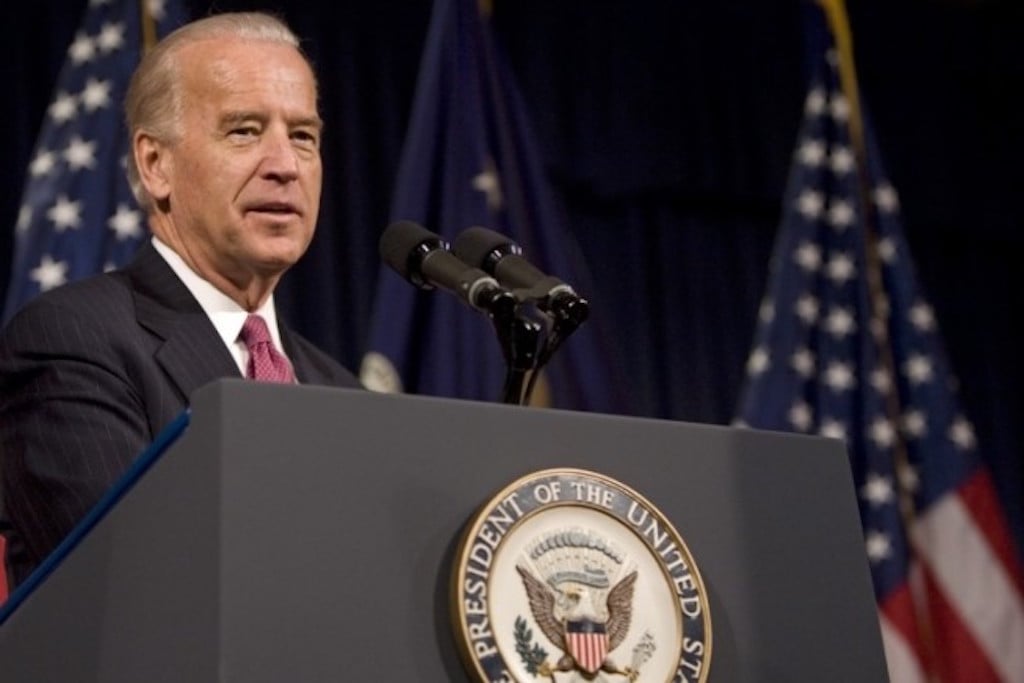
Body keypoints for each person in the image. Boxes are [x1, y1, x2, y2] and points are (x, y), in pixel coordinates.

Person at [0, 12, 362, 590]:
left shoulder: (341, 392)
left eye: (303, 136)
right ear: (155, 164)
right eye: (244, 130)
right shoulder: (74, 341)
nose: (285, 166)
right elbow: (136, 584)